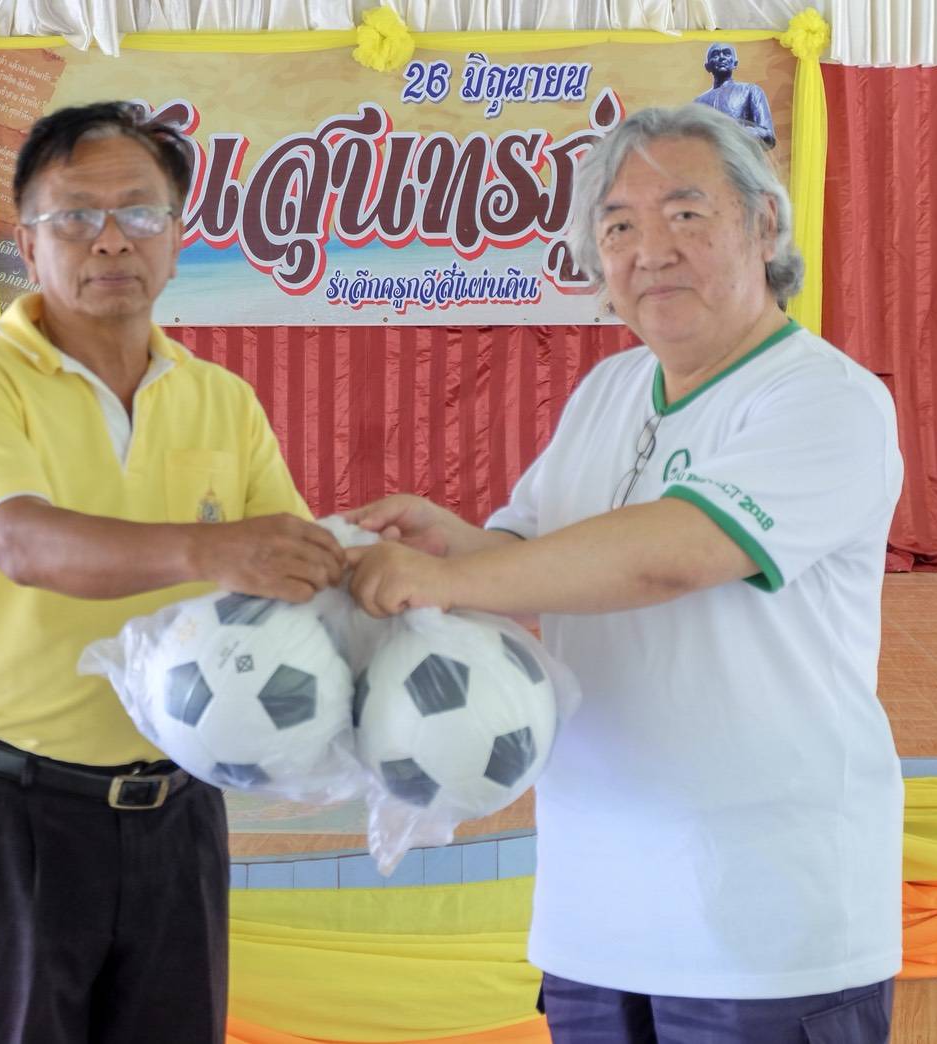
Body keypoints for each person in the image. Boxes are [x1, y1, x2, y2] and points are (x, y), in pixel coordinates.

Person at [345, 103, 903, 1043]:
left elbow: (672, 556)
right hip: (594, 922)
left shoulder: (825, 398)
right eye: (618, 227)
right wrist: (447, 544)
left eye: (685, 214)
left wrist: (447, 582)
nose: (651, 251)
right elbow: (533, 562)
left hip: (766, 930)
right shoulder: (606, 392)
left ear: (765, 224)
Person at [0, 101, 344, 1043]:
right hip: (14, 813)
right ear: (28, 245)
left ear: (177, 237)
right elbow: (20, 541)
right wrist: (208, 549)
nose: (111, 239)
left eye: (140, 212)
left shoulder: (222, 401)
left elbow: (291, 567)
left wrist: (386, 571)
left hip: (181, 810)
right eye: (76, 215)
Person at [694, 44, 776, 149]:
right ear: (707, 66)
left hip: (740, 155)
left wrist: (739, 132)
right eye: (715, 54)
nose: (721, 57)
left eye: (727, 53)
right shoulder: (698, 102)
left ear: (735, 63)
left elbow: (768, 135)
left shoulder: (751, 90)